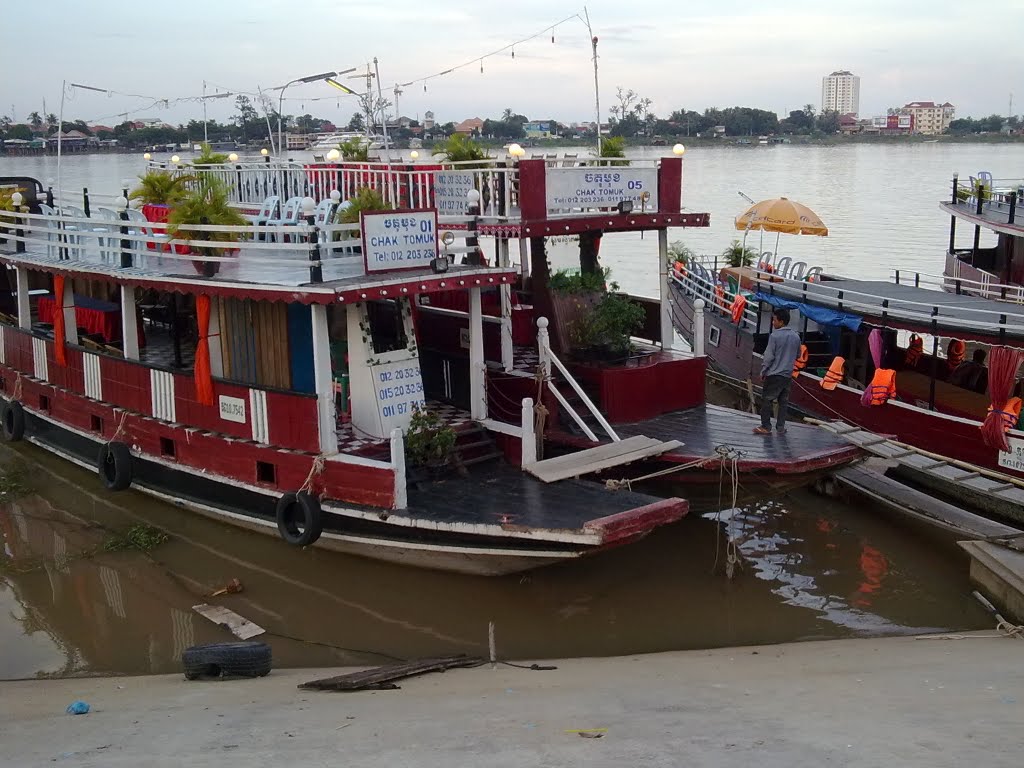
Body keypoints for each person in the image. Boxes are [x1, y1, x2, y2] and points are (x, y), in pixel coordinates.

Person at [755, 308, 802, 435]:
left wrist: (763, 371)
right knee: (783, 402)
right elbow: (798, 355)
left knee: (766, 400)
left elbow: (769, 357)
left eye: (774, 320)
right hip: (787, 375)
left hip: (774, 374)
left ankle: (766, 426)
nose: (772, 322)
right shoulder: (796, 336)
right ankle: (780, 427)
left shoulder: (774, 336)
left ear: (781, 322)